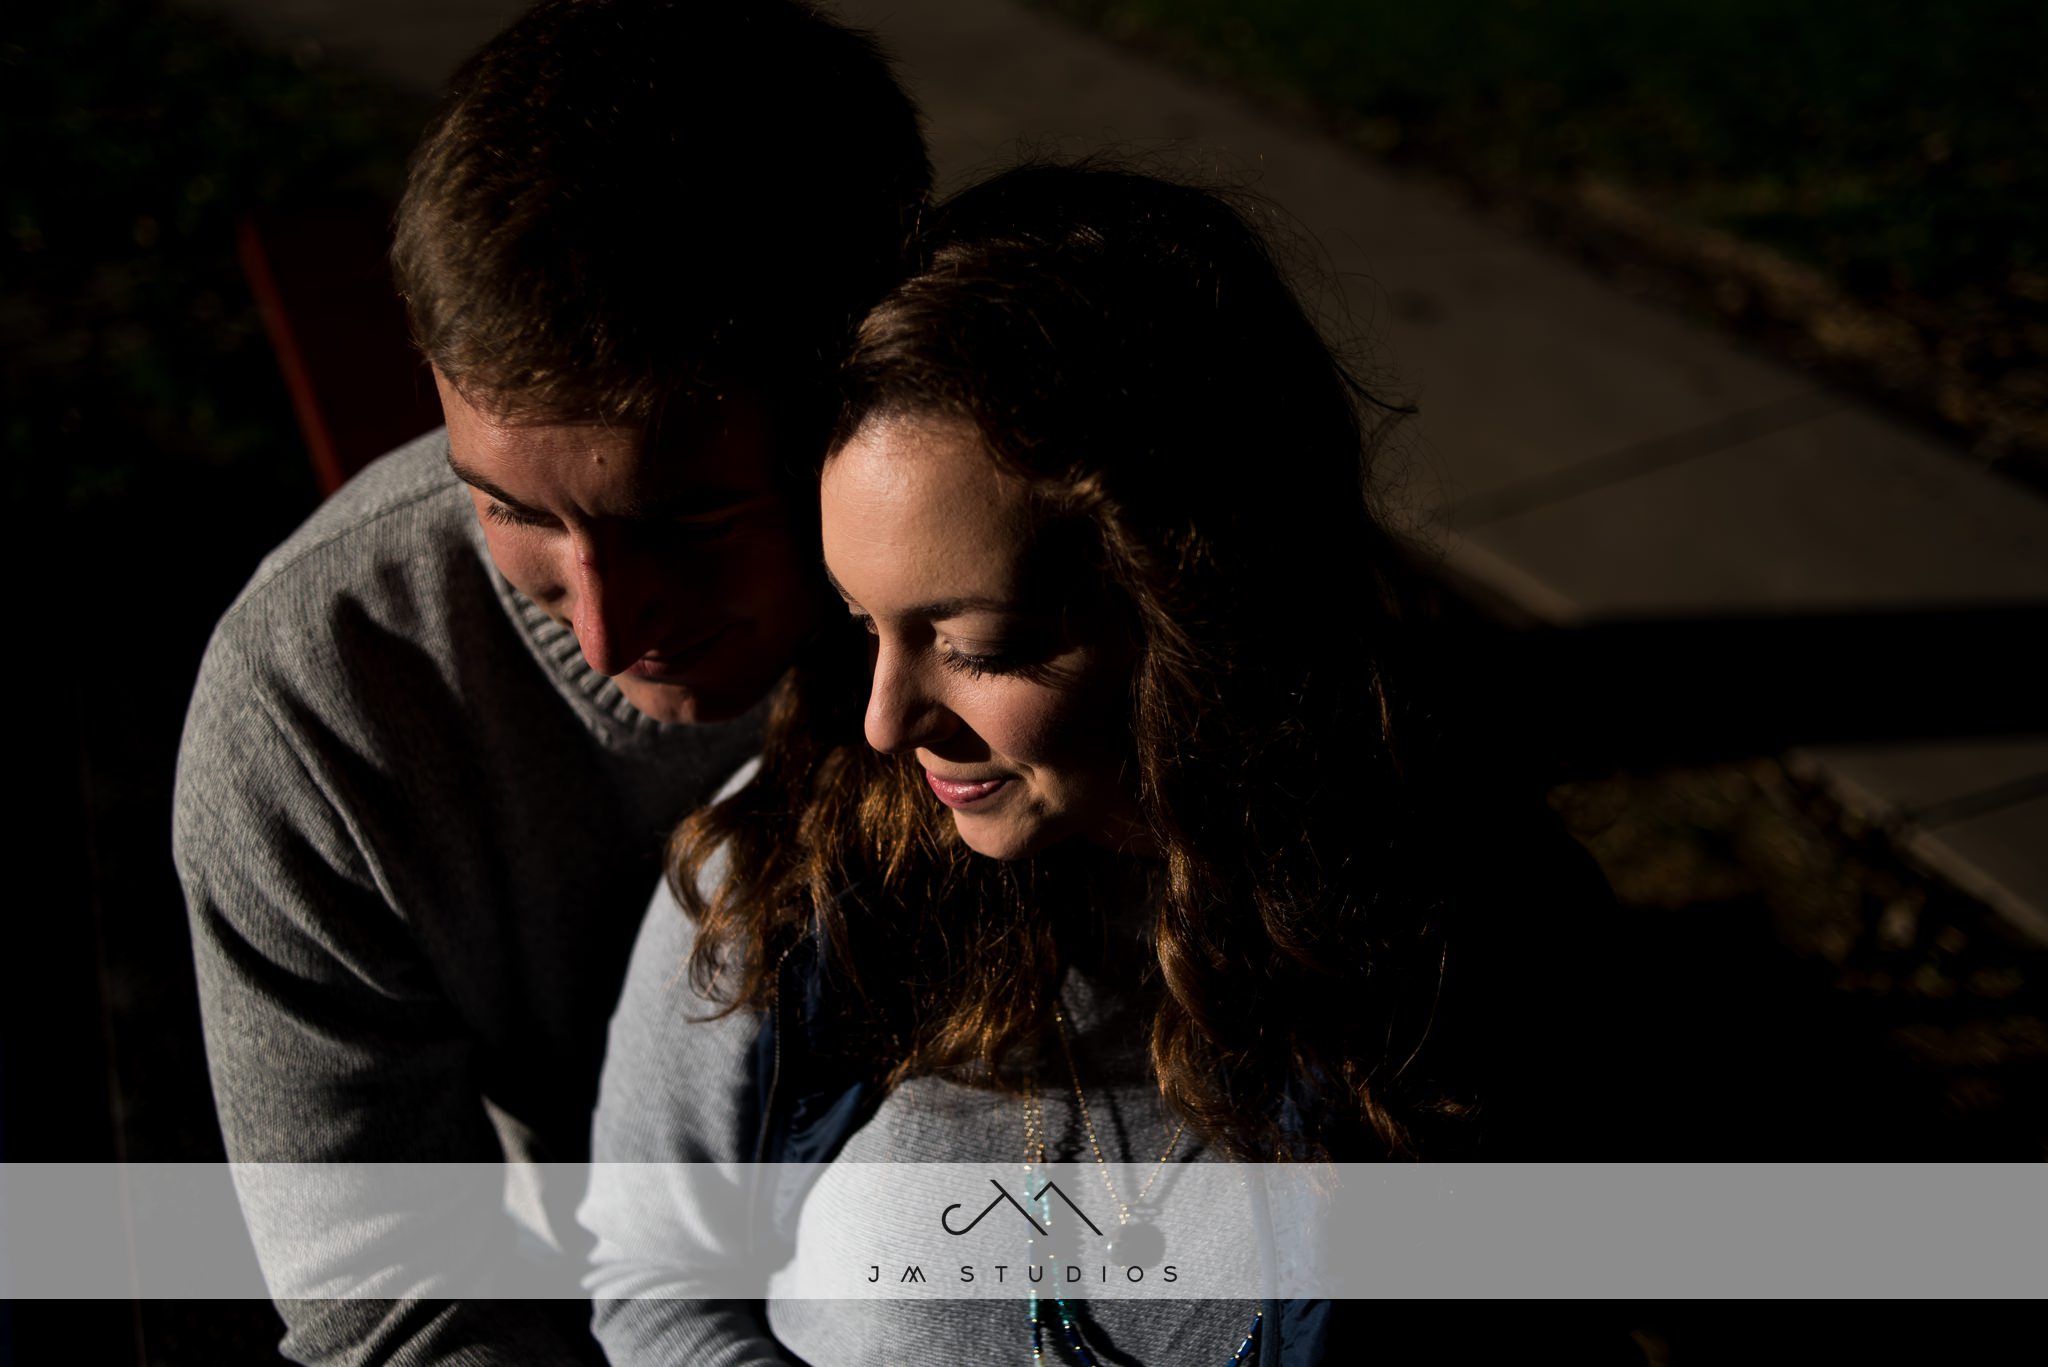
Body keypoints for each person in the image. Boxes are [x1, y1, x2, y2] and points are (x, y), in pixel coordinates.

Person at [582, 162, 1633, 1364]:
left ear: (1193, 611)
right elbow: (656, 1282)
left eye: (976, 646)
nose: (882, 719)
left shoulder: (1467, 938)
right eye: (861, 621)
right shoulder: (792, 868)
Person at [170, 2, 928, 1362]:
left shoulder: (1056, 605)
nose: (605, 617)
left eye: (686, 524)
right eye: (507, 507)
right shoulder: (317, 704)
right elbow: (394, 1289)